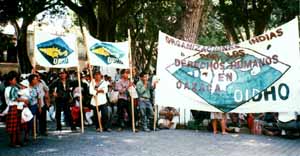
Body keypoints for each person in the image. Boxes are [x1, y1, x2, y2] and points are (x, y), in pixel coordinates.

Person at [5, 71, 28, 147]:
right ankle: (13, 142)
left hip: (17, 108)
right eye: (14, 80)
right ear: (10, 81)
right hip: (13, 107)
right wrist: (23, 100)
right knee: (13, 127)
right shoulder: (8, 89)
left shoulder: (14, 88)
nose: (16, 81)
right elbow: (14, 98)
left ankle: (18, 141)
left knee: (18, 126)